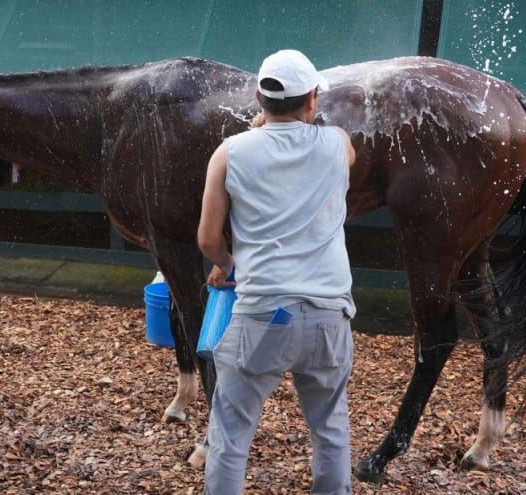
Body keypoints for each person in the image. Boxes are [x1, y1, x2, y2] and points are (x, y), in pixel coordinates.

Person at [197, 49, 357, 494]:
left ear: (257, 98)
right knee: (330, 429)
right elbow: (338, 150)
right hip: (328, 317)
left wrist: (229, 266)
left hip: (263, 315)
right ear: (312, 101)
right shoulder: (336, 143)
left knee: (230, 435)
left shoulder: (228, 154)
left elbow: (208, 239)